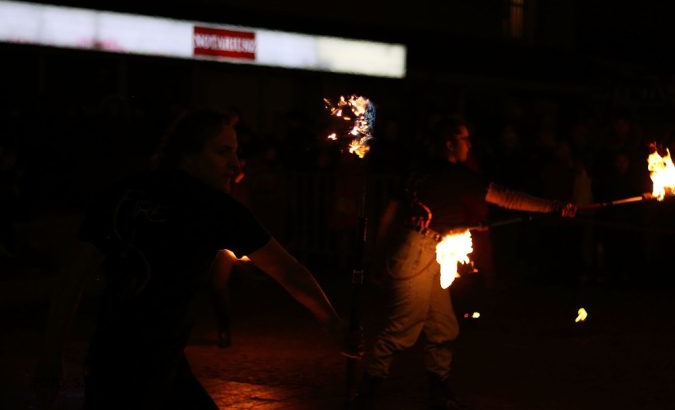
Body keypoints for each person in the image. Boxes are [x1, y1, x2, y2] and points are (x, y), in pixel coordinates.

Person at [33, 109, 363, 410]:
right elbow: (287, 271)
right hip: (138, 374)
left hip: (136, 363)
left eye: (236, 151)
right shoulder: (216, 209)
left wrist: (51, 357)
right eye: (223, 152)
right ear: (187, 154)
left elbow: (71, 279)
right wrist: (334, 324)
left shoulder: (121, 192)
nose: (236, 164)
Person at [356, 117, 576, 410]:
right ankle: (367, 391)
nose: (469, 144)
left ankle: (438, 388)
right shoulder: (452, 174)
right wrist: (553, 206)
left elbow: (388, 216)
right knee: (402, 329)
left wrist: (378, 258)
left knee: (443, 327)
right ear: (450, 144)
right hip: (417, 254)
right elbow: (506, 197)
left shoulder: (418, 171)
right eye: (464, 139)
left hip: (425, 252)